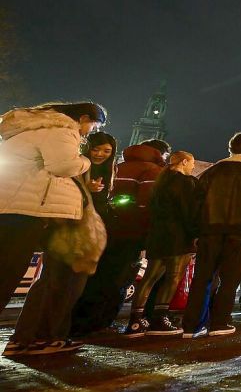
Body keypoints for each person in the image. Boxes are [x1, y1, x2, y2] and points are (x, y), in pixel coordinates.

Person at [0, 102, 107, 356]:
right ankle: (38, 337)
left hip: (21, 207)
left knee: (10, 272)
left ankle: (35, 337)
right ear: (83, 118)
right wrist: (84, 161)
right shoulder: (60, 129)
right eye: (94, 126)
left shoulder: (35, 128)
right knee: (11, 274)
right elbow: (62, 166)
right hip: (30, 210)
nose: (90, 133)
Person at [71, 138, 169, 336]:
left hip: (105, 229)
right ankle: (99, 324)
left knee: (96, 276)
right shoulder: (153, 171)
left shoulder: (119, 166)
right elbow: (147, 206)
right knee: (119, 279)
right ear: (161, 154)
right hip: (131, 234)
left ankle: (77, 320)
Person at [182, 132, 241, 338]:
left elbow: (196, 202)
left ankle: (192, 324)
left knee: (202, 277)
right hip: (239, 231)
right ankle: (220, 322)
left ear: (230, 148)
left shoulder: (213, 171)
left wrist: (195, 230)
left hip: (209, 229)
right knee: (230, 279)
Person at [124, 151, 199, 338]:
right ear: (183, 162)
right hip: (178, 237)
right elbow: (189, 212)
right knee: (173, 278)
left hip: (158, 235)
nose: (193, 167)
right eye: (191, 163)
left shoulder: (160, 182)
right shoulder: (186, 183)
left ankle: (135, 320)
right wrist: (195, 234)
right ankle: (159, 318)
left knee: (150, 277)